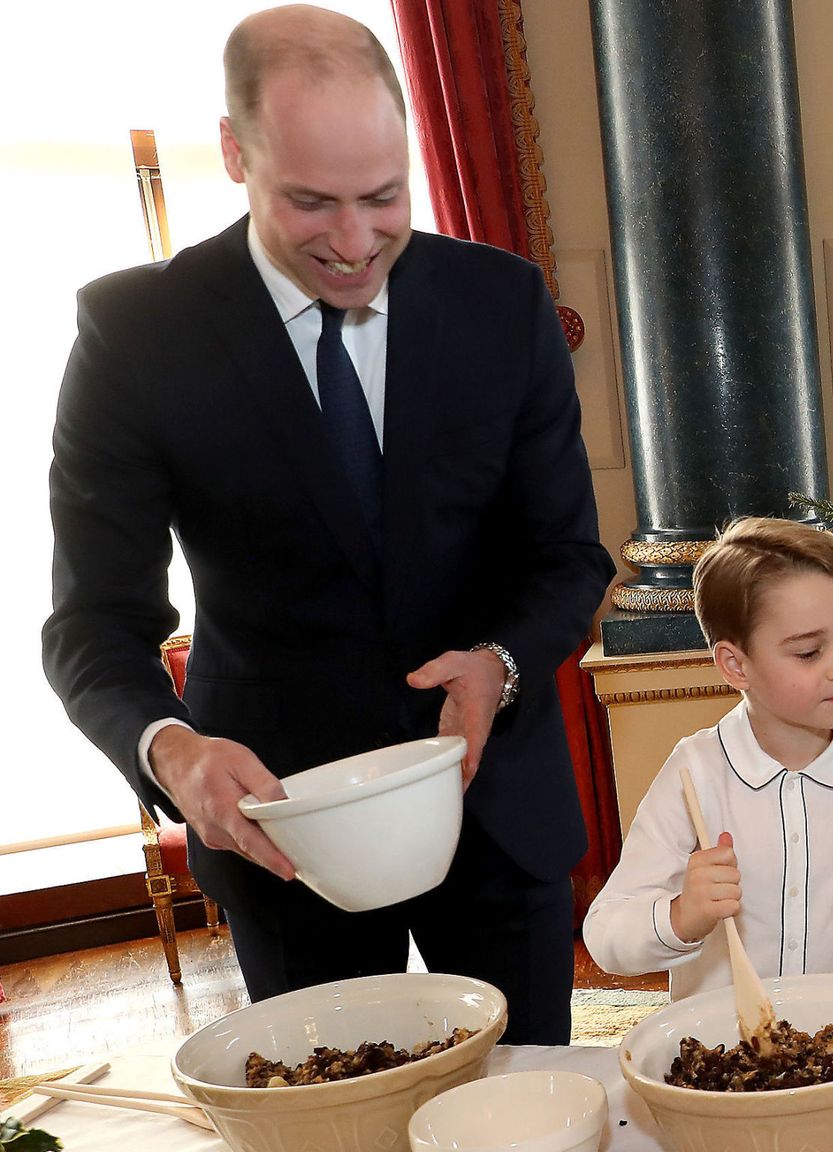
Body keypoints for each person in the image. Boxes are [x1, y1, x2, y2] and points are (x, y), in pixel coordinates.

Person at [42, 6, 612, 1043]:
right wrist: (172, 753)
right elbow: (89, 623)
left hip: (495, 818)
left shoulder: (503, 305)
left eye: (383, 198)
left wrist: (502, 664)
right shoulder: (136, 336)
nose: (355, 245)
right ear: (233, 153)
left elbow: (567, 558)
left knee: (529, 1117)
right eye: (311, 203)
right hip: (279, 836)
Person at [583, 518, 833, 1003]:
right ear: (736, 665)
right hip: (728, 1059)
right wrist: (681, 915)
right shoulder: (694, 771)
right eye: (807, 652)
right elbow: (606, 934)